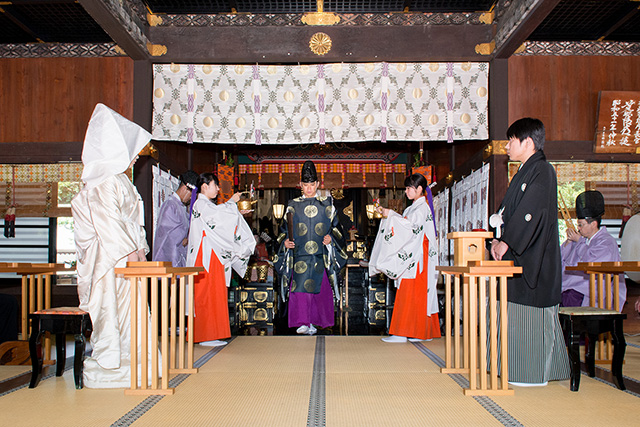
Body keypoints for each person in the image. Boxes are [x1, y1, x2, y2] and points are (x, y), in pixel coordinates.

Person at [71, 103, 152, 388]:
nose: (135, 159)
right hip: (110, 259)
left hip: (127, 256)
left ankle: (135, 356)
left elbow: (132, 223)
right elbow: (109, 223)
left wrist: (140, 249)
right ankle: (109, 361)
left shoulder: (122, 181)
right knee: (111, 311)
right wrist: (132, 251)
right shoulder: (102, 181)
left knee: (133, 310)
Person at [489, 117, 570, 386]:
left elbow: (529, 214)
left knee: (529, 314)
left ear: (528, 143)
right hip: (518, 255)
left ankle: (530, 371)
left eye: (511, 141)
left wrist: (507, 242)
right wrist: (497, 238)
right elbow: (505, 213)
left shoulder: (543, 171)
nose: (506, 147)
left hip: (535, 259)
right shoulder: (523, 172)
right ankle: (513, 367)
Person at [274, 160, 347, 335]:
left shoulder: (327, 205)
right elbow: (283, 230)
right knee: (300, 292)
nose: (308, 188)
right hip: (299, 256)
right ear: (300, 185)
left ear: (317, 184)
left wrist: (331, 239)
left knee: (319, 292)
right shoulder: (292, 205)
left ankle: (316, 322)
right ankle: (302, 322)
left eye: (312, 184)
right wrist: (284, 242)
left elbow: (337, 230)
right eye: (305, 185)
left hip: (320, 256)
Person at [369, 173, 441, 343]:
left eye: (410, 188)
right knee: (413, 295)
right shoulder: (413, 208)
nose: (407, 191)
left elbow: (409, 228)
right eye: (407, 188)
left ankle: (403, 332)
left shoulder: (422, 208)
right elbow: (406, 226)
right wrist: (390, 215)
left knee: (410, 295)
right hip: (414, 255)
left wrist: (390, 214)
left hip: (416, 258)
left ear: (420, 189)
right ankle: (417, 332)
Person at [186, 173, 255, 346]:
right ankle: (205, 335)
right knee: (206, 294)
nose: (217, 189)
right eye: (215, 185)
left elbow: (220, 217)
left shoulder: (204, 205)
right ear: (204, 187)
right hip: (206, 255)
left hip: (211, 254)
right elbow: (219, 218)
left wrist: (235, 209)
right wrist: (233, 204)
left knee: (214, 293)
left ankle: (212, 333)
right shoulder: (201, 204)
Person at [561, 190, 626, 310]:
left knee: (570, 297)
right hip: (574, 287)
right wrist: (569, 242)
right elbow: (561, 260)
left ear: (593, 224)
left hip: (593, 292)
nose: (578, 229)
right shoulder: (581, 240)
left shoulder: (606, 242)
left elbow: (591, 262)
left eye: (581, 225)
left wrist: (579, 241)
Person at [152, 170, 199, 267]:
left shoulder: (180, 206)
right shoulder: (170, 205)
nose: (190, 199)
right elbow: (167, 231)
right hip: (169, 256)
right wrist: (185, 237)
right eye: (190, 195)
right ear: (184, 189)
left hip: (178, 254)